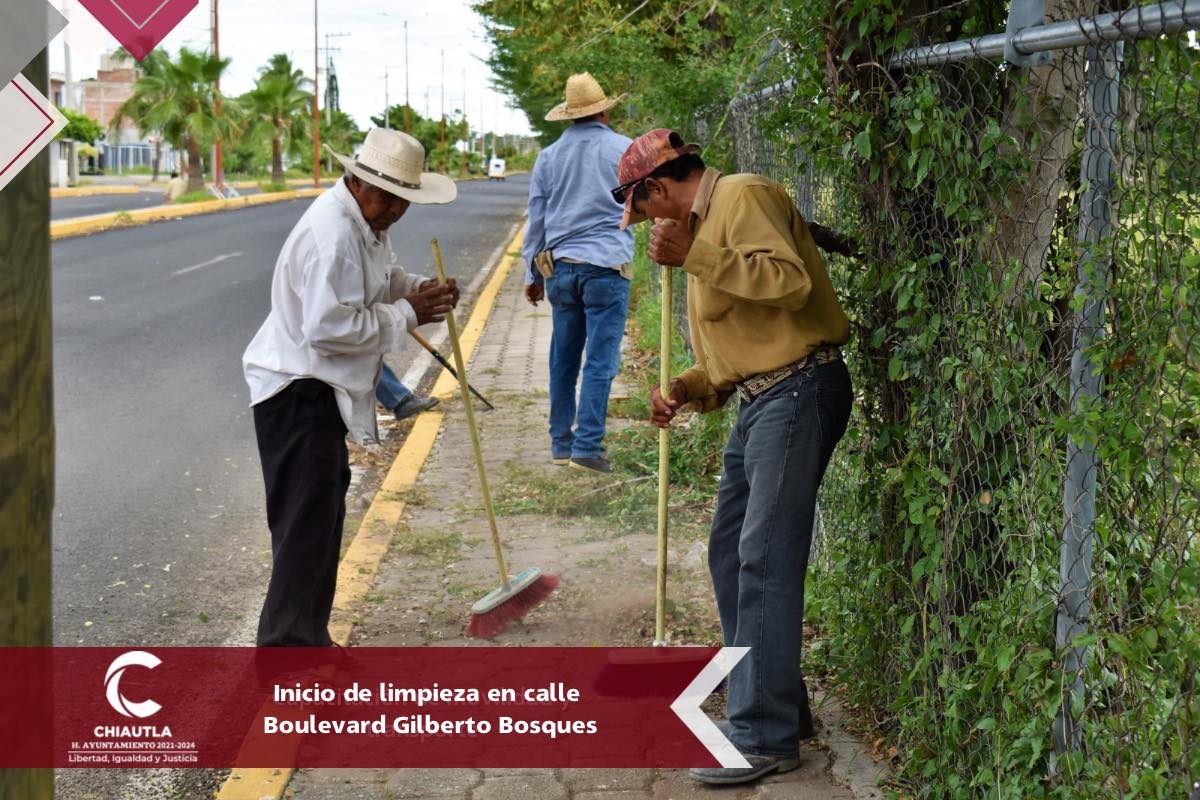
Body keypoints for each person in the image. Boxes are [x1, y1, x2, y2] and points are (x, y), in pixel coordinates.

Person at [615, 129, 853, 785]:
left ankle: (764, 736)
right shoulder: (702, 232)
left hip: (800, 390)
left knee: (764, 557)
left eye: (643, 209)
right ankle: (778, 705)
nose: (645, 224)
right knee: (731, 551)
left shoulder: (743, 197)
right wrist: (687, 388)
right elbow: (739, 347)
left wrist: (698, 254)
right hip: (760, 401)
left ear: (659, 188)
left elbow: (791, 284)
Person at [242, 128, 460, 647]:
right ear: (358, 182)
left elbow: (376, 280)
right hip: (296, 390)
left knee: (320, 523)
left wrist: (414, 289)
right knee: (303, 529)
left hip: (316, 390)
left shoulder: (364, 222)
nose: (393, 211)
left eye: (402, 201)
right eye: (386, 198)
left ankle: (309, 639)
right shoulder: (335, 234)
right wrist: (408, 313)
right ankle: (286, 658)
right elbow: (328, 326)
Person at [522, 72, 634, 474]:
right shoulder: (624, 151)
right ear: (603, 110)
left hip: (561, 269)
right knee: (600, 361)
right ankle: (588, 447)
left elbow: (537, 219)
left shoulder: (549, 157)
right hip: (606, 267)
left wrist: (531, 275)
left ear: (569, 115)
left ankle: (560, 445)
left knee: (563, 359)